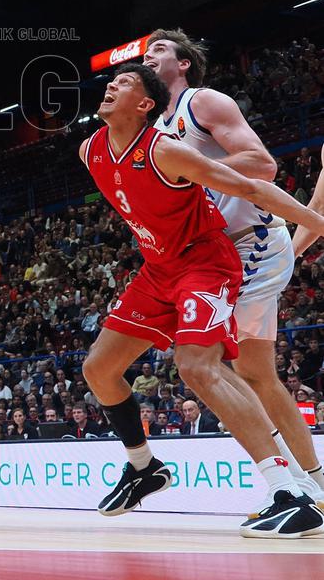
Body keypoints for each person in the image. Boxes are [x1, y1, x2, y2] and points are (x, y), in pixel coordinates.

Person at [80, 63, 324, 537]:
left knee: (197, 365)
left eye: (125, 82)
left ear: (145, 105)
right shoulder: (89, 150)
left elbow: (253, 185)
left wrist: (318, 226)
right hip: (158, 268)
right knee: (99, 369)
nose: (111, 84)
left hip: (205, 263)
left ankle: (290, 493)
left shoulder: (167, 151)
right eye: (113, 80)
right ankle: (143, 468)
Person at [145, 30, 324, 505]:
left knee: (204, 363)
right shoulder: (156, 128)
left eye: (159, 49)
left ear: (184, 63)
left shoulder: (202, 102)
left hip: (252, 242)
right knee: (254, 375)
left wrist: (192, 170)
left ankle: (290, 486)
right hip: (219, 252)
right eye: (146, 52)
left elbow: (262, 165)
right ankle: (313, 481)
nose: (148, 56)